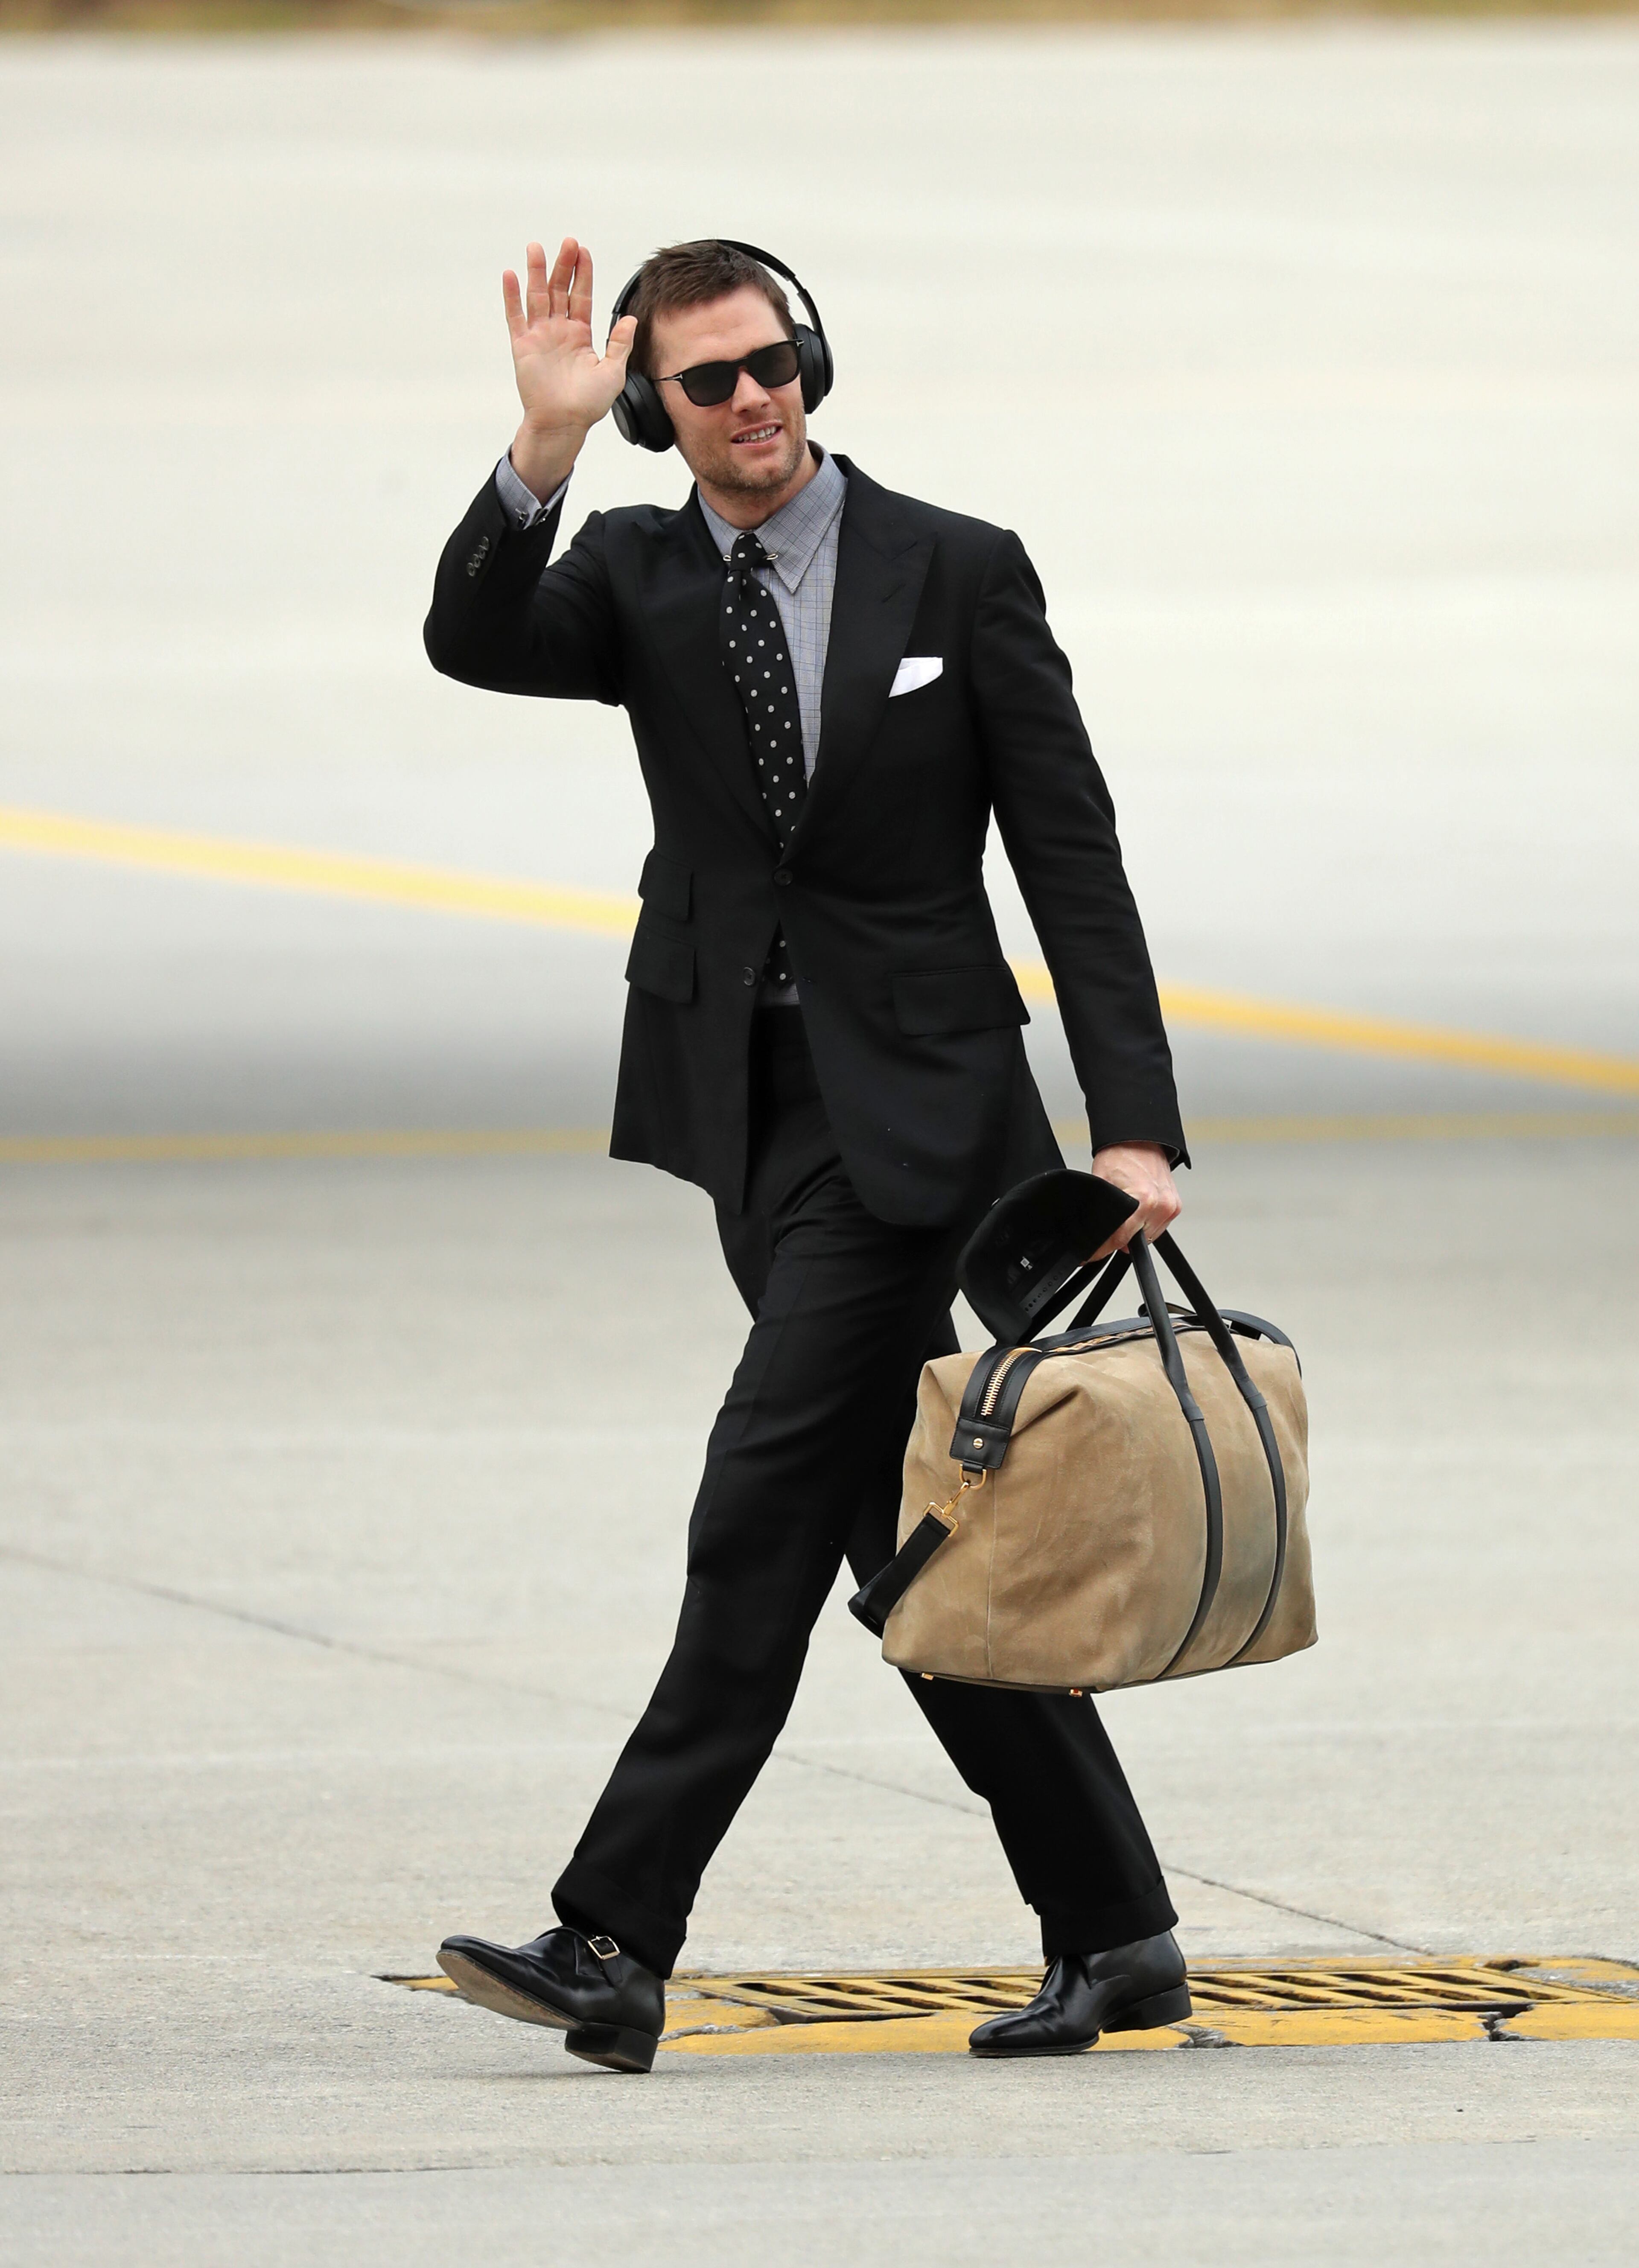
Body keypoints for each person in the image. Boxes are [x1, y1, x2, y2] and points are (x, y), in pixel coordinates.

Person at [424, 236, 1191, 2073]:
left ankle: (616, 1932)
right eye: (709, 381)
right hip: (747, 1119)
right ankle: (1118, 1927)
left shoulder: (958, 566)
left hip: (926, 1125)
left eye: (775, 362)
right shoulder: (628, 569)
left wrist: (1136, 1120)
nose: (754, 398)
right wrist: (532, 460)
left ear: (815, 361)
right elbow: (470, 639)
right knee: (903, 1536)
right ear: (653, 412)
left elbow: (1070, 858)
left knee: (762, 1495)